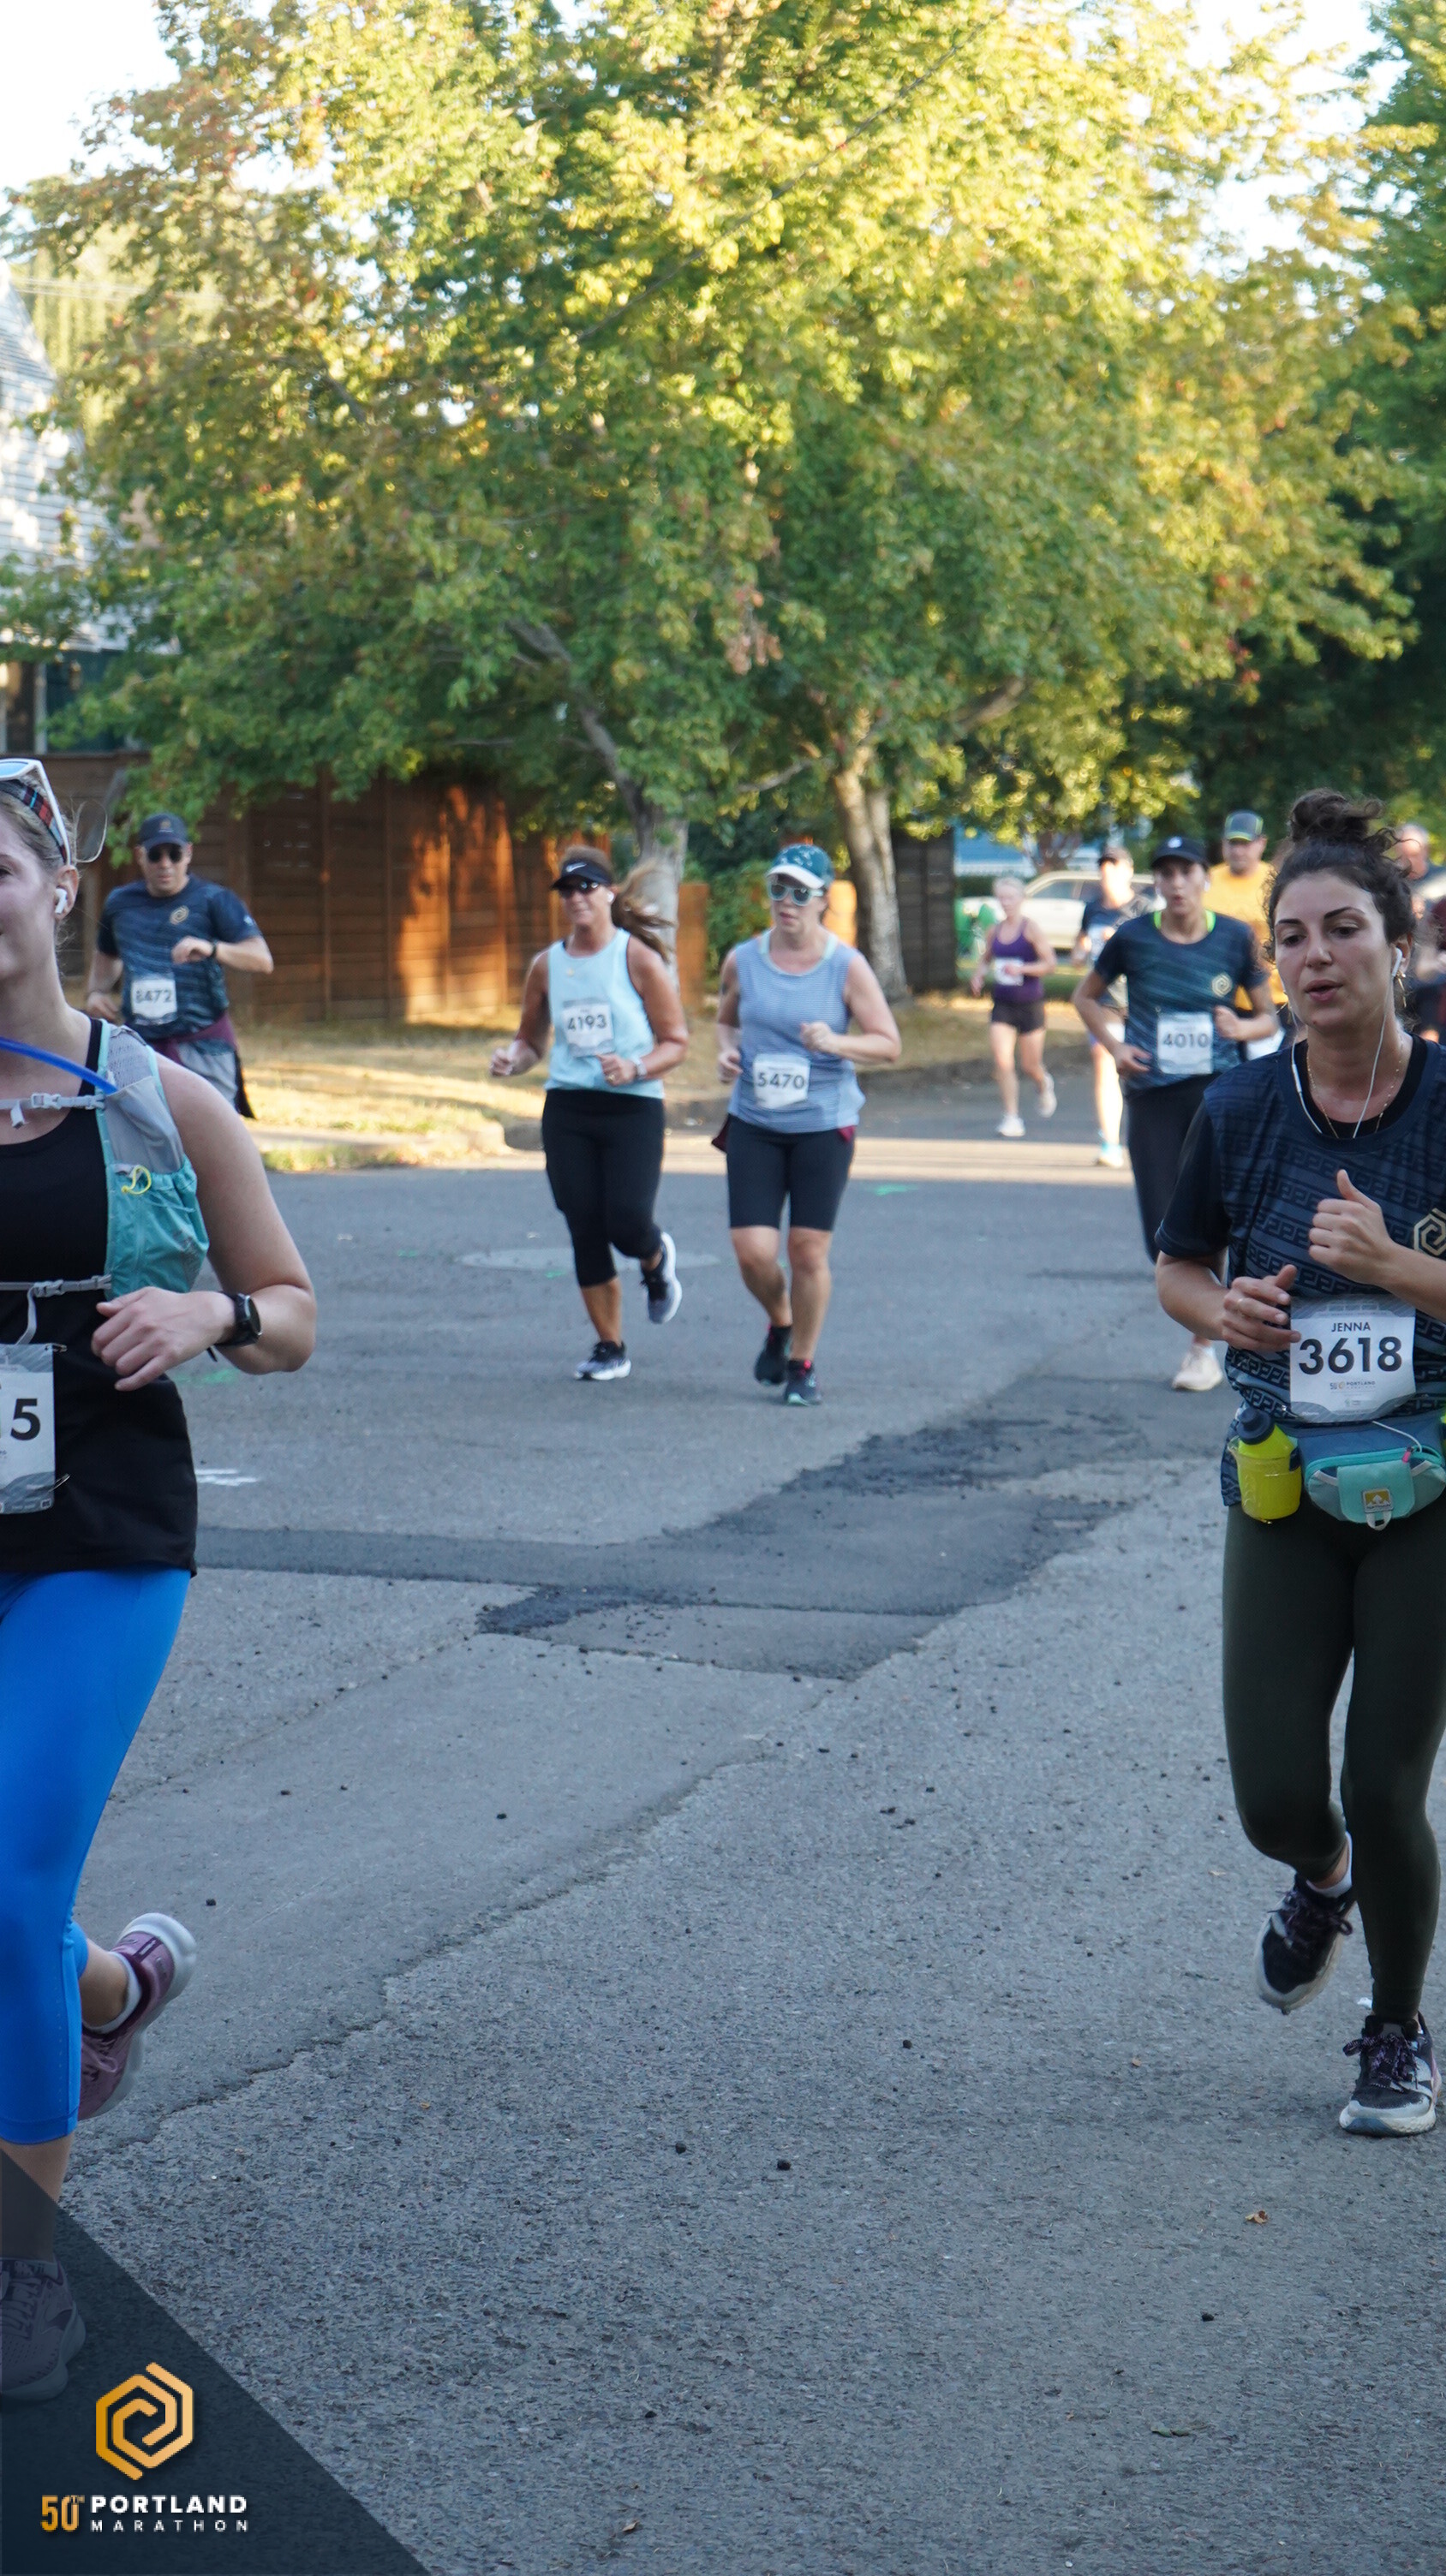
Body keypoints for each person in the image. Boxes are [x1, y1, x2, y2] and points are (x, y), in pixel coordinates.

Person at [0, 757, 316, 2400]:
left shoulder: (157, 1096)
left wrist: (210, 1313)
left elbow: (291, 1310)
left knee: (1, 1887)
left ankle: (24, 2270)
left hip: (100, 1529)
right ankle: (113, 1987)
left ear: (60, 888)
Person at [1156, 789, 1446, 2136]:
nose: (1317, 957)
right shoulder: (1239, 1107)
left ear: (1400, 946)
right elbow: (1178, 1268)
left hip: (1433, 1483)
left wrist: (1399, 1267)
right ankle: (1320, 1880)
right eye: (1291, 938)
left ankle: (1396, 2032)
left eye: (1344, 930)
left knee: (1384, 1783)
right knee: (1279, 1794)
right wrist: (1227, 1313)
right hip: (1283, 1477)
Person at [1073, 831, 1277, 1392]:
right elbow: (1084, 996)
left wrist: (1241, 1027)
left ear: (1204, 878)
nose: (1177, 883)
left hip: (1217, 1093)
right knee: (1163, 1229)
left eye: (1186, 871)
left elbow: (1268, 1018)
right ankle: (1211, 1330)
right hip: (1154, 1093)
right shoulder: (1132, 938)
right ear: (1157, 882)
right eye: (1166, 873)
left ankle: (1203, 1348)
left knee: (1215, 1218)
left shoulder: (1235, 937)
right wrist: (1115, 1048)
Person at [491, 848, 688, 1380]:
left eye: (586, 888)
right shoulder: (547, 965)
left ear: (609, 893)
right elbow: (531, 1041)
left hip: (632, 1107)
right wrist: (512, 1059)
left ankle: (654, 1258)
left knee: (626, 1219)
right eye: (567, 891)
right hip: (570, 1107)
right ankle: (610, 1347)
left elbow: (676, 1041)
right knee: (583, 1222)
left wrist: (636, 1067)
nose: (576, 898)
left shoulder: (636, 958)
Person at [715, 843, 900, 1404]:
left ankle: (802, 1364)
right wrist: (726, 1053)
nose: (787, 902)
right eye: (778, 889)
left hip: (823, 1124)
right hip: (755, 1120)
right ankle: (781, 1319)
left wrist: (837, 1041)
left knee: (808, 1250)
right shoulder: (743, 960)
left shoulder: (846, 966)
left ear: (823, 900)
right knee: (753, 1251)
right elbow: (726, 1020)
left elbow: (888, 1044)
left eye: (800, 892)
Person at [85, 813, 272, 1109]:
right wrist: (96, 993)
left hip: (204, 1048)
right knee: (136, 1133)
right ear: (140, 855)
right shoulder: (120, 904)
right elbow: (107, 956)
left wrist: (213, 949)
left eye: (174, 854)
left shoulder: (214, 900)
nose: (165, 864)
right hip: (140, 1049)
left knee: (211, 1136)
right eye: (155, 855)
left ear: (188, 854)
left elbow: (262, 960)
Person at [969, 874, 1057, 1138]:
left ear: (1021, 899)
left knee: (1030, 1065)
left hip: (1030, 1003)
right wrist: (979, 975)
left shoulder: (1031, 929)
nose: (1006, 903)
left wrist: (1023, 969)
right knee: (1003, 1061)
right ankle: (1011, 1117)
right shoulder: (994, 931)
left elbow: (1050, 964)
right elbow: (986, 958)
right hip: (1003, 1004)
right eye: (1001, 898)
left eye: (1010, 898)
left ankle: (1043, 1083)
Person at [1072, 840, 1141, 1168]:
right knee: (1104, 1060)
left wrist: (1121, 944)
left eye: (1114, 865)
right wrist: (1080, 951)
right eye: (1103, 866)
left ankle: (1147, 1134)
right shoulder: (1092, 909)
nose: (1107, 871)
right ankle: (1110, 1142)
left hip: (1140, 1001)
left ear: (1128, 870)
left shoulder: (1144, 909)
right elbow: (1081, 942)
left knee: (1140, 1070)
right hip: (1105, 1000)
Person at [1209, 808, 1286, 1059]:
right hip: (1221, 998)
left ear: (1261, 843)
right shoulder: (1208, 881)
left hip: (1273, 998)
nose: (1238, 851)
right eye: (1233, 843)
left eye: (1245, 844)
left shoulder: (1276, 881)